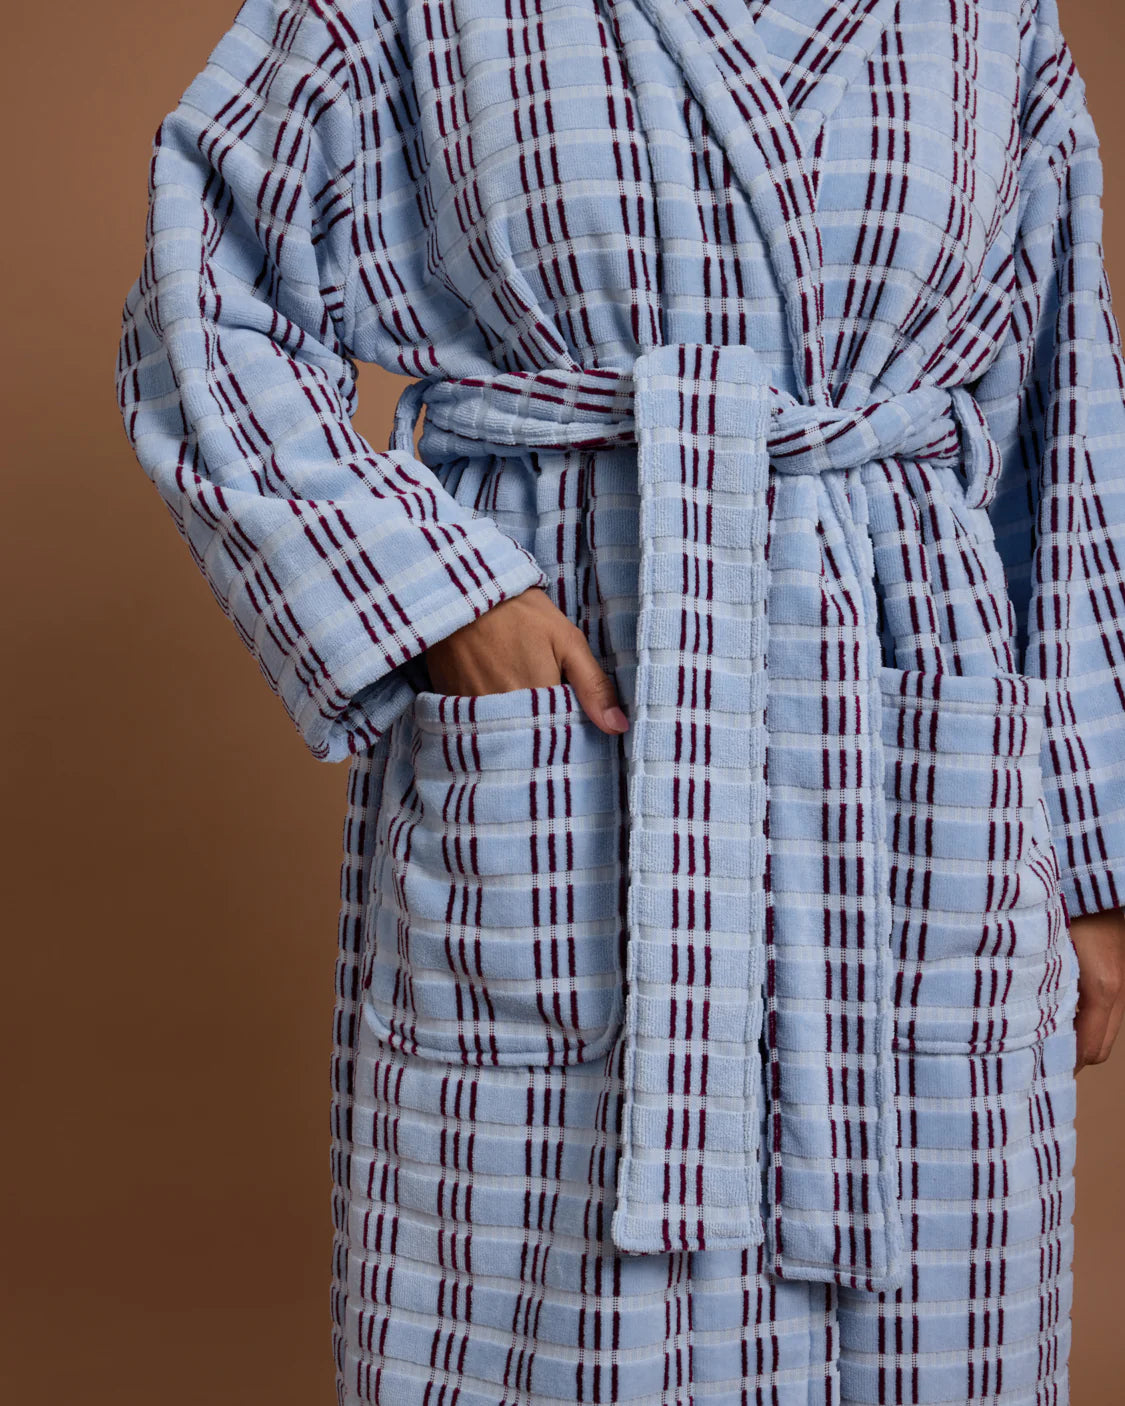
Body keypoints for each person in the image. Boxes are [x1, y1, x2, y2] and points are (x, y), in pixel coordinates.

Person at [114, 0, 1125, 1399]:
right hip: (590, 686)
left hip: (906, 741)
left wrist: (1091, 849)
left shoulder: (991, 20)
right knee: (550, 1317)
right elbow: (206, 278)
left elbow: (1062, 421)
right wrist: (441, 599)